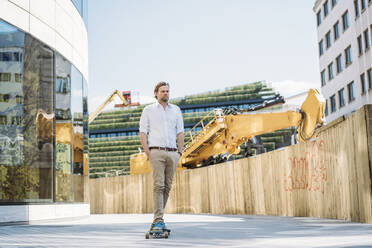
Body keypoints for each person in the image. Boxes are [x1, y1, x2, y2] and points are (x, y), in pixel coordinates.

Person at [139, 81, 184, 232]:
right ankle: (158, 220)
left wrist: (180, 152)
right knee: (159, 185)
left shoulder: (176, 110)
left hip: (173, 153)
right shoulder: (148, 110)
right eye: (163, 91)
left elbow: (180, 132)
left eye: (167, 91)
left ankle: (157, 219)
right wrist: (148, 152)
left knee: (167, 187)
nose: (166, 93)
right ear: (156, 93)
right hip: (156, 152)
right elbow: (143, 132)